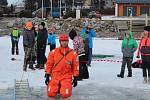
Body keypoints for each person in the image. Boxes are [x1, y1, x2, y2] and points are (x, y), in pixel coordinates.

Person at [45, 33, 79, 98]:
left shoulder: (73, 53)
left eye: (65, 41)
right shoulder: (53, 52)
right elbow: (49, 64)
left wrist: (75, 77)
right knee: (50, 94)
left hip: (66, 76)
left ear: (68, 41)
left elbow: (75, 66)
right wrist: (47, 75)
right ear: (60, 42)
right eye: (62, 41)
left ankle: (62, 87)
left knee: (65, 95)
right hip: (55, 76)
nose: (64, 42)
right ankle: (58, 87)